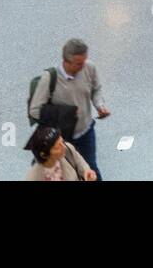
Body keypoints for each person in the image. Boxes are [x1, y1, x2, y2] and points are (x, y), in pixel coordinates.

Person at [27, 38, 111, 179]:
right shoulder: (49, 79)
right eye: (79, 63)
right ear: (66, 61)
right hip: (62, 137)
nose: (83, 66)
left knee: (90, 168)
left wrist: (99, 105)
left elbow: (96, 89)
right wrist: (66, 113)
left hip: (86, 132)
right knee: (65, 172)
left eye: (84, 61)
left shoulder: (89, 68)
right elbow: (34, 110)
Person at [24, 124, 97, 182]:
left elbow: (80, 163)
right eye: (57, 147)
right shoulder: (33, 177)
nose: (64, 147)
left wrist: (87, 172)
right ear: (44, 155)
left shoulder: (68, 149)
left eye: (62, 142)